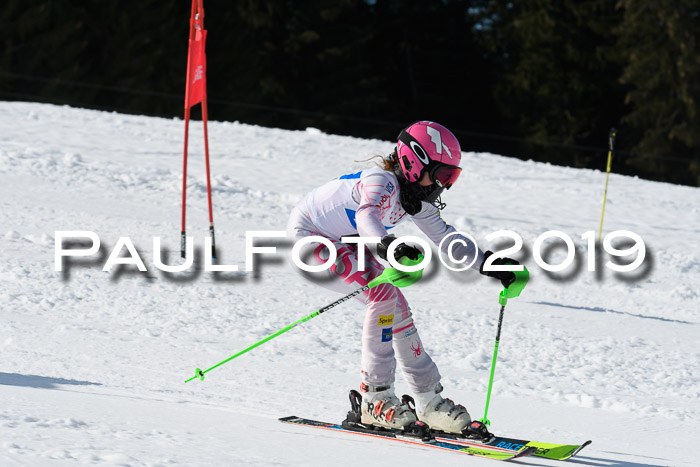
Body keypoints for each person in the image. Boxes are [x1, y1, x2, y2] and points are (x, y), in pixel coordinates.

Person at [286, 121, 519, 435]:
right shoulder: (379, 181)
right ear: (414, 160)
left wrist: (489, 264)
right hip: (312, 237)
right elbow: (367, 215)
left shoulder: (413, 198)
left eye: (451, 177)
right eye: (441, 175)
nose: (444, 185)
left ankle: (428, 400)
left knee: (398, 306)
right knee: (382, 298)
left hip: (348, 238)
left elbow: (446, 238)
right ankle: (375, 399)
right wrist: (389, 246)